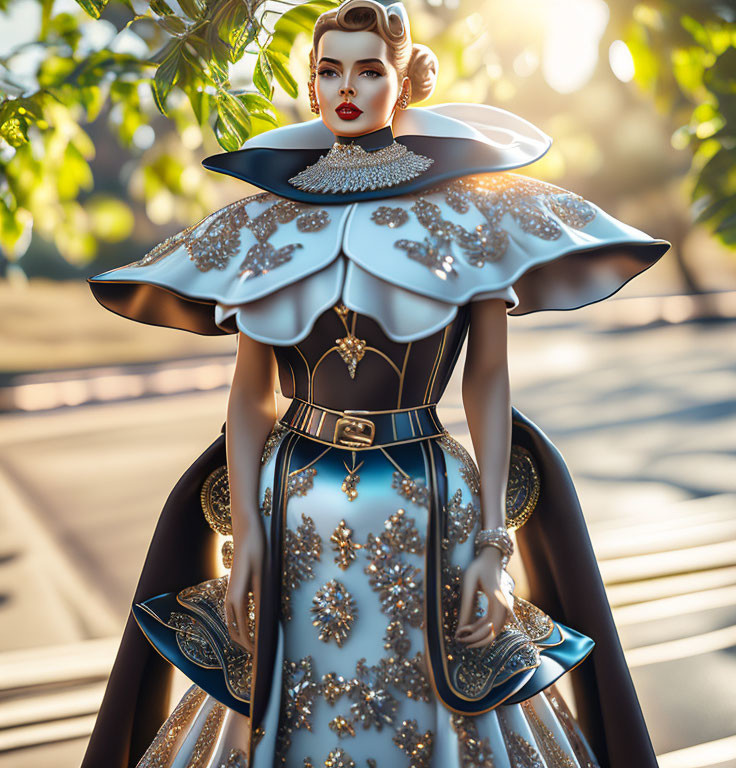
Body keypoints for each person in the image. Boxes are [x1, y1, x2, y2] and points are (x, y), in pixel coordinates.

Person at [83, 1, 670, 766]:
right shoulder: (270, 223)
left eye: (368, 69)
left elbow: (487, 383)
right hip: (292, 501)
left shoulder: (472, 217)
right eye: (330, 70)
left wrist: (494, 541)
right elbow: (251, 392)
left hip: (431, 504)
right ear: (313, 84)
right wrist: (246, 531)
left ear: (404, 82)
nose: (347, 87)